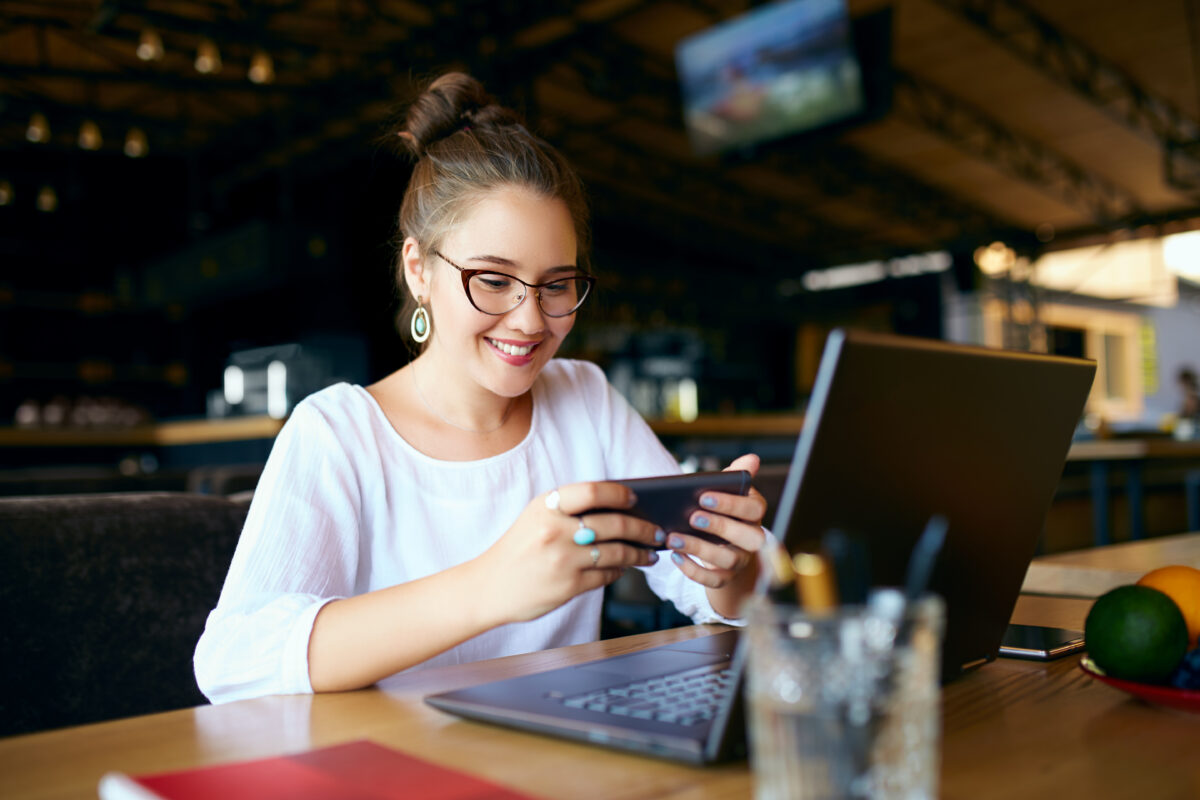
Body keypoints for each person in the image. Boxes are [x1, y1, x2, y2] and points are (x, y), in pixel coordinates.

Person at [194, 72, 767, 703]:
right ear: (419, 270)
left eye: (556, 285)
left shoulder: (584, 397)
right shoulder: (337, 433)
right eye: (493, 280)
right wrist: (490, 586)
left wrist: (728, 570)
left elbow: (712, 592)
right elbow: (234, 662)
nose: (529, 318)